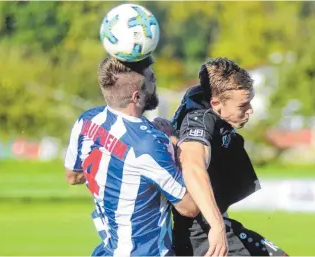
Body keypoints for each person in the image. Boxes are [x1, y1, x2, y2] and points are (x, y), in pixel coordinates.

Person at [63, 56, 227, 256]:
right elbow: (189, 206)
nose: (155, 81)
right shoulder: (148, 145)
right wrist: (174, 143)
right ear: (136, 97)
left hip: (107, 250)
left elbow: (73, 176)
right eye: (150, 79)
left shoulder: (87, 121)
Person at [153, 57, 289, 256]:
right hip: (201, 235)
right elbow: (193, 166)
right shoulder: (199, 122)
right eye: (243, 105)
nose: (250, 110)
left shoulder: (200, 97)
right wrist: (217, 227)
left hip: (213, 226)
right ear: (216, 104)